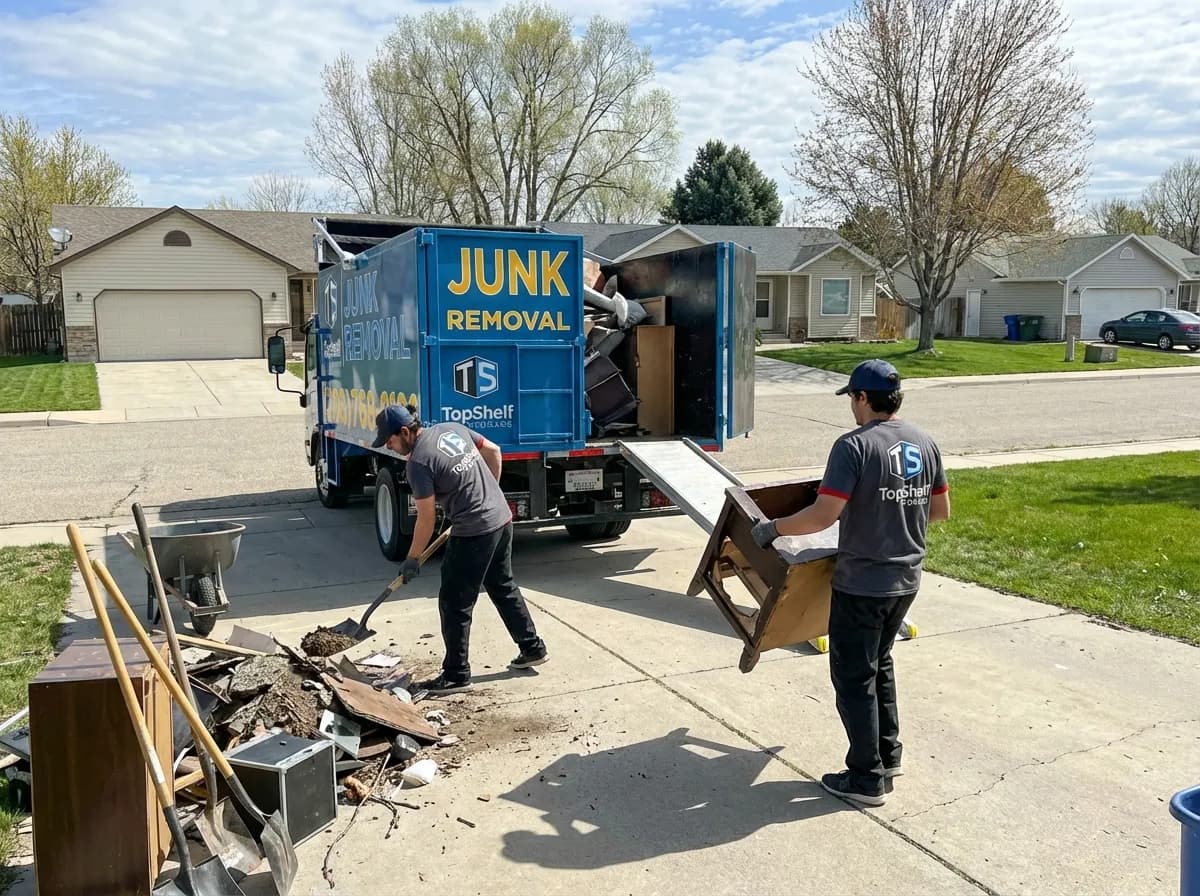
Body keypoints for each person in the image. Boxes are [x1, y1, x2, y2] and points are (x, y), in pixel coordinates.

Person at [751, 359, 950, 807]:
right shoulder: (925, 442)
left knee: (853, 677)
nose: (852, 409)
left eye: (852, 399)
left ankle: (865, 778)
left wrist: (774, 528)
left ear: (862, 398)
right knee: (880, 663)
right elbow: (939, 512)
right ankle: (887, 754)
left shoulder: (853, 447)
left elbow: (823, 515)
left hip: (863, 583)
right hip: (906, 578)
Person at [372, 404, 548, 694]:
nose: (390, 447)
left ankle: (456, 674)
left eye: (390, 440)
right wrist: (488, 494)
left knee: (454, 603)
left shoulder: (417, 463)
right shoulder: (450, 428)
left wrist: (412, 558)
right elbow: (493, 451)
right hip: (501, 519)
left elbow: (426, 518)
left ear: (404, 431)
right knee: (502, 585)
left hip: (474, 531)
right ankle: (532, 647)